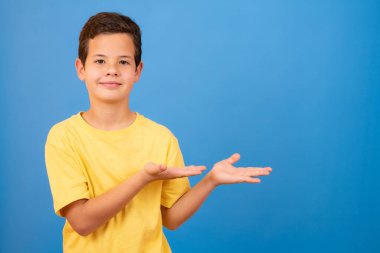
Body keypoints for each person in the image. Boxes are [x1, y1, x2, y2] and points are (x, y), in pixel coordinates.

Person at [45, 12, 272, 253]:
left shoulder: (160, 137)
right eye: (100, 61)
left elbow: (171, 219)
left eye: (123, 61)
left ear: (137, 70)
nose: (111, 70)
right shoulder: (63, 137)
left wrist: (210, 181)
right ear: (81, 68)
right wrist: (142, 178)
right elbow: (81, 222)